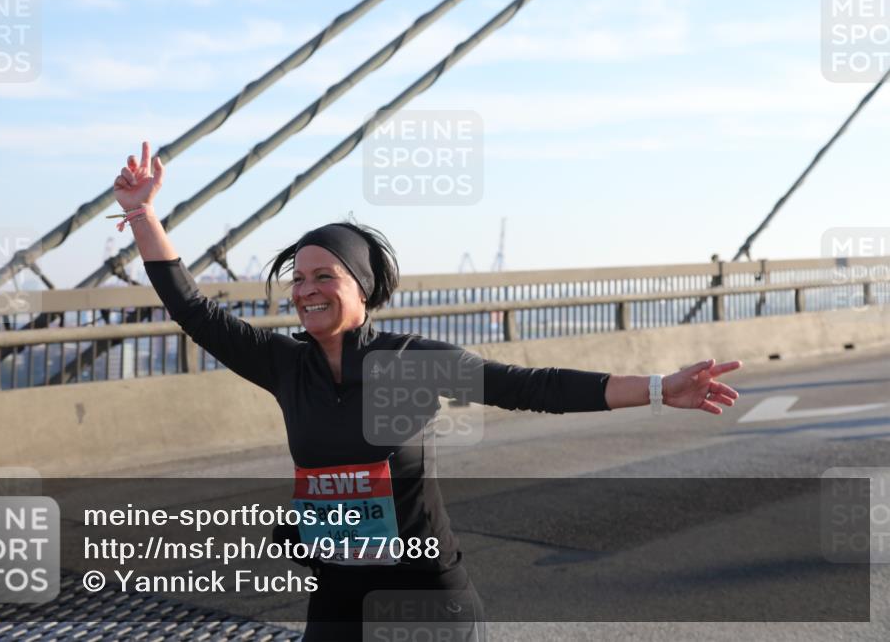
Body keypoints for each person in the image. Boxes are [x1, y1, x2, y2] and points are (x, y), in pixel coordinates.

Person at [112, 141, 742, 640]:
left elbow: (532, 387)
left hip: (423, 591)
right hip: (336, 592)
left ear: (361, 287)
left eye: (324, 275)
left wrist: (659, 388)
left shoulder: (409, 360)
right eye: (298, 279)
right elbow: (192, 310)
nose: (306, 290)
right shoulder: (284, 364)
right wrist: (143, 215)